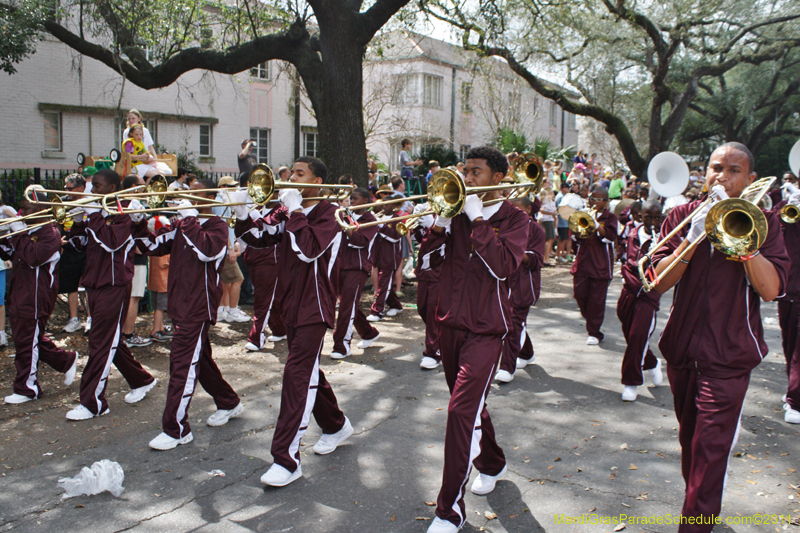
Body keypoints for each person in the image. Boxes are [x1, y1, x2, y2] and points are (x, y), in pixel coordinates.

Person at [651, 142, 789, 531]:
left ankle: (694, 523)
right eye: (715, 168)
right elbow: (657, 282)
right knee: (691, 446)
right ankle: (701, 507)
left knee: (710, 452)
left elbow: (771, 289)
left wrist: (745, 246)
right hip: (681, 350)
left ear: (749, 179)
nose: (721, 177)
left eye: (733, 170)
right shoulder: (681, 215)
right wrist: (694, 237)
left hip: (729, 356)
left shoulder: (765, 222)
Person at [418, 146, 528, 533]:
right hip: (450, 324)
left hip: (487, 330)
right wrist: (437, 229)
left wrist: (478, 219)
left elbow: (503, 267)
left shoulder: (517, 219)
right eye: (465, 170)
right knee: (470, 407)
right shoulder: (456, 213)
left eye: (475, 172)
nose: (467, 178)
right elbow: (425, 267)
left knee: (460, 412)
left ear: (498, 178)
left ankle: (450, 510)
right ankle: (492, 461)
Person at [233, 156, 353, 487]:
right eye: (292, 172)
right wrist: (243, 214)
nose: (290, 178)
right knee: (307, 369)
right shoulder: (288, 211)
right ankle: (336, 424)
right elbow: (257, 238)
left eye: (299, 174)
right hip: (291, 304)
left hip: (316, 305)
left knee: (297, 374)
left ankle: (286, 459)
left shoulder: (331, 215)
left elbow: (309, 249)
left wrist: (295, 212)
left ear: (316, 182)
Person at [136, 180, 243, 450]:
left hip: (198, 305)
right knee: (200, 359)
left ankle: (176, 429)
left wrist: (190, 219)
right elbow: (150, 247)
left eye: (193, 192)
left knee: (182, 364)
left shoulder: (217, 226)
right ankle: (229, 402)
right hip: (181, 302)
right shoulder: (184, 225)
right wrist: (136, 223)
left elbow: (208, 252)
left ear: (208, 197)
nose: (184, 196)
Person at [65, 169, 157, 421]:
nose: (92, 190)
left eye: (97, 186)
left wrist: (93, 215)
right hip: (94, 283)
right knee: (107, 339)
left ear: (114, 187)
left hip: (115, 285)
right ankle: (142, 380)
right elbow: (79, 246)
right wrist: (77, 222)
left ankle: (93, 403)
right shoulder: (98, 213)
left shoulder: (126, 210)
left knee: (100, 342)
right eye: (91, 186)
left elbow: (112, 243)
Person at [1, 191, 79, 404]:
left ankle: (27, 388)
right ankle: (66, 360)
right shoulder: (28, 230)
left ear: (41, 210)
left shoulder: (50, 233)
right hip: (20, 293)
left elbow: (33, 258)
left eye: (25, 208)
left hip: (35, 296)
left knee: (27, 341)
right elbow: (9, 253)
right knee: (26, 339)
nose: (21, 212)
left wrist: (17, 231)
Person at [617, 200, 663, 401]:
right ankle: (652, 362)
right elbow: (624, 256)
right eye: (648, 217)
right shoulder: (632, 233)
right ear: (639, 217)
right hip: (628, 291)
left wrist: (658, 248)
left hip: (648, 295)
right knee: (632, 336)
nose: (652, 221)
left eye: (656, 217)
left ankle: (631, 382)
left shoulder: (665, 237)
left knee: (637, 336)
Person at [496, 195, 545, 383]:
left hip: (523, 285)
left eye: (518, 210)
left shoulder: (537, 230)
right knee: (512, 322)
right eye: (510, 210)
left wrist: (517, 252)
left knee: (514, 324)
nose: (513, 214)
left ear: (529, 210)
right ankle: (527, 353)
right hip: (504, 282)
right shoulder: (504, 226)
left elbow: (537, 260)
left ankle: (507, 367)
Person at [330, 188, 381, 359]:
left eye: (356, 198)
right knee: (349, 305)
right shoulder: (344, 216)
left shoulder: (371, 220)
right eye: (350, 198)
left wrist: (344, 225)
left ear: (366, 201)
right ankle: (368, 333)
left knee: (346, 306)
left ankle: (342, 346)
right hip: (340, 265)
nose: (351, 201)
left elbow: (360, 241)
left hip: (357, 268)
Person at [571, 186, 617, 345]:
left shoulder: (610, 217)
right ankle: (591, 319)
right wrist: (577, 230)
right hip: (583, 262)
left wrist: (597, 225)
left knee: (597, 301)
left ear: (606, 202)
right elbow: (576, 237)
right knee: (580, 295)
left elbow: (610, 236)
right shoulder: (583, 214)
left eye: (599, 200)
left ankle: (595, 332)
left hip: (600, 265)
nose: (594, 202)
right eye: (592, 198)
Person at [243, 196, 288, 352]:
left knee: (262, 300)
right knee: (270, 298)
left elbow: (273, 230)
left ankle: (256, 338)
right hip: (254, 257)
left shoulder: (281, 210)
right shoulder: (259, 208)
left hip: (270, 259)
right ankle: (280, 329)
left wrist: (258, 219)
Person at [774, 180, 800, 424]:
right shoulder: (788, 206)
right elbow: (767, 224)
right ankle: (793, 387)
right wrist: (786, 207)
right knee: (789, 344)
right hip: (790, 288)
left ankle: (795, 399)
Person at [120, 174, 152, 348]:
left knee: (126, 297)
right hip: (136, 258)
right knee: (134, 297)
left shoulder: (117, 204)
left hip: (122, 259)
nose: (144, 188)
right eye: (141, 185)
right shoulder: (134, 206)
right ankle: (129, 334)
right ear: (133, 186)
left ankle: (123, 333)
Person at [411, 202, 441, 370]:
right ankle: (443, 340)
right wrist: (417, 222)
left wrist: (432, 224)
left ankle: (433, 352)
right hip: (424, 271)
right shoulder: (428, 213)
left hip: (441, 271)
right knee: (422, 309)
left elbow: (447, 238)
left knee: (433, 312)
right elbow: (418, 239)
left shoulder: (449, 217)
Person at [367, 185, 403, 321]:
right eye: (383, 205)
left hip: (390, 257)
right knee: (386, 284)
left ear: (393, 206)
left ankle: (377, 312)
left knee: (383, 284)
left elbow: (395, 237)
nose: (384, 207)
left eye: (387, 205)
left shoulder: (396, 219)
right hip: (378, 254)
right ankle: (396, 305)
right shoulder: (379, 216)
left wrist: (381, 227)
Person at [60, 174, 90, 333]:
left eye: (70, 188)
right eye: (65, 188)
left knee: (89, 285)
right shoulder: (64, 202)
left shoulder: (91, 201)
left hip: (87, 248)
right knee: (70, 285)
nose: (67, 191)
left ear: (80, 188)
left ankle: (90, 318)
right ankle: (74, 319)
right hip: (69, 249)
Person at [147, 216, 172, 343]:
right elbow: (164, 262)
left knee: (157, 306)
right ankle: (156, 331)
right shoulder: (162, 243)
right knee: (160, 308)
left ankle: (160, 328)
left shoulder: (152, 242)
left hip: (155, 281)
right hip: (162, 281)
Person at [539, 189, 557, 265]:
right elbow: (542, 210)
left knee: (548, 239)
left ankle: (546, 257)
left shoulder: (547, 200)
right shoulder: (547, 199)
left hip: (548, 219)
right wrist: (551, 213)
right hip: (548, 220)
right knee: (549, 239)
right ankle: (546, 258)